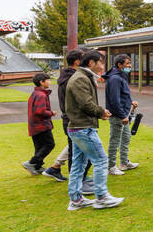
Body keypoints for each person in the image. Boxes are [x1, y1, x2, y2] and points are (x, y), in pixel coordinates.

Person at [64, 50, 124, 210]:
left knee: (79, 164)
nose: (103, 66)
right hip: (83, 128)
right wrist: (100, 112)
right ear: (91, 63)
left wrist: (99, 112)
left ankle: (76, 199)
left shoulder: (83, 77)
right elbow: (86, 103)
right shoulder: (80, 79)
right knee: (101, 160)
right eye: (101, 63)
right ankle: (102, 197)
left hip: (79, 127)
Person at [41, 48, 84, 184]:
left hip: (69, 118)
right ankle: (76, 180)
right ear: (77, 61)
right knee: (77, 150)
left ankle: (55, 167)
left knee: (75, 146)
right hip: (73, 119)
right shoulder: (73, 78)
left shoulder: (67, 77)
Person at [104, 53, 139, 175]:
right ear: (119, 65)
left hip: (124, 114)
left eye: (130, 63)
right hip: (118, 116)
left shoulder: (120, 76)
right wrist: (122, 115)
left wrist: (130, 102)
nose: (130, 66)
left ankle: (124, 163)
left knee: (126, 138)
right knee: (115, 140)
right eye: (127, 63)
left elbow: (123, 94)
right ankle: (111, 166)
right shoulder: (115, 78)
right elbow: (115, 100)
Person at [23, 71, 56, 176]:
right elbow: (40, 111)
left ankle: (37, 167)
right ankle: (31, 163)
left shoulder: (35, 93)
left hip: (34, 126)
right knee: (49, 144)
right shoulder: (41, 95)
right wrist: (51, 113)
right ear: (42, 82)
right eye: (48, 80)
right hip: (41, 125)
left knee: (39, 147)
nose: (49, 82)